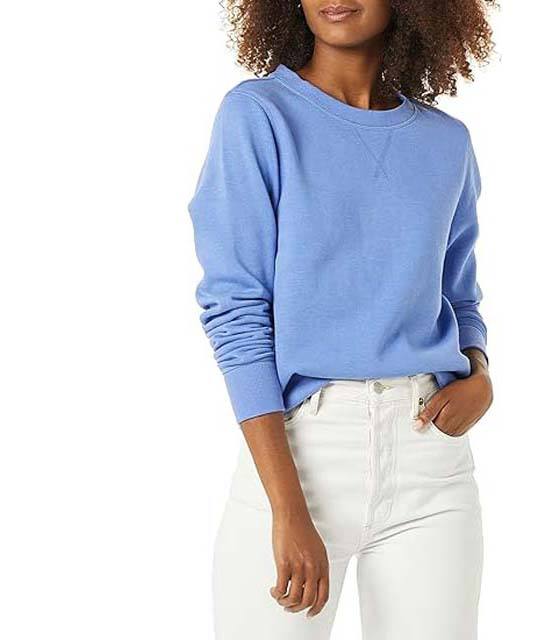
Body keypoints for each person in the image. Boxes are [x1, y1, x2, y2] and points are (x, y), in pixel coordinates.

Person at [189, 1, 495, 637]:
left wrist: (480, 372)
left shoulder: (446, 143)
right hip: (300, 453)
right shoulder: (259, 116)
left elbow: (458, 293)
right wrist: (287, 506)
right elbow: (237, 310)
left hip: (430, 461)